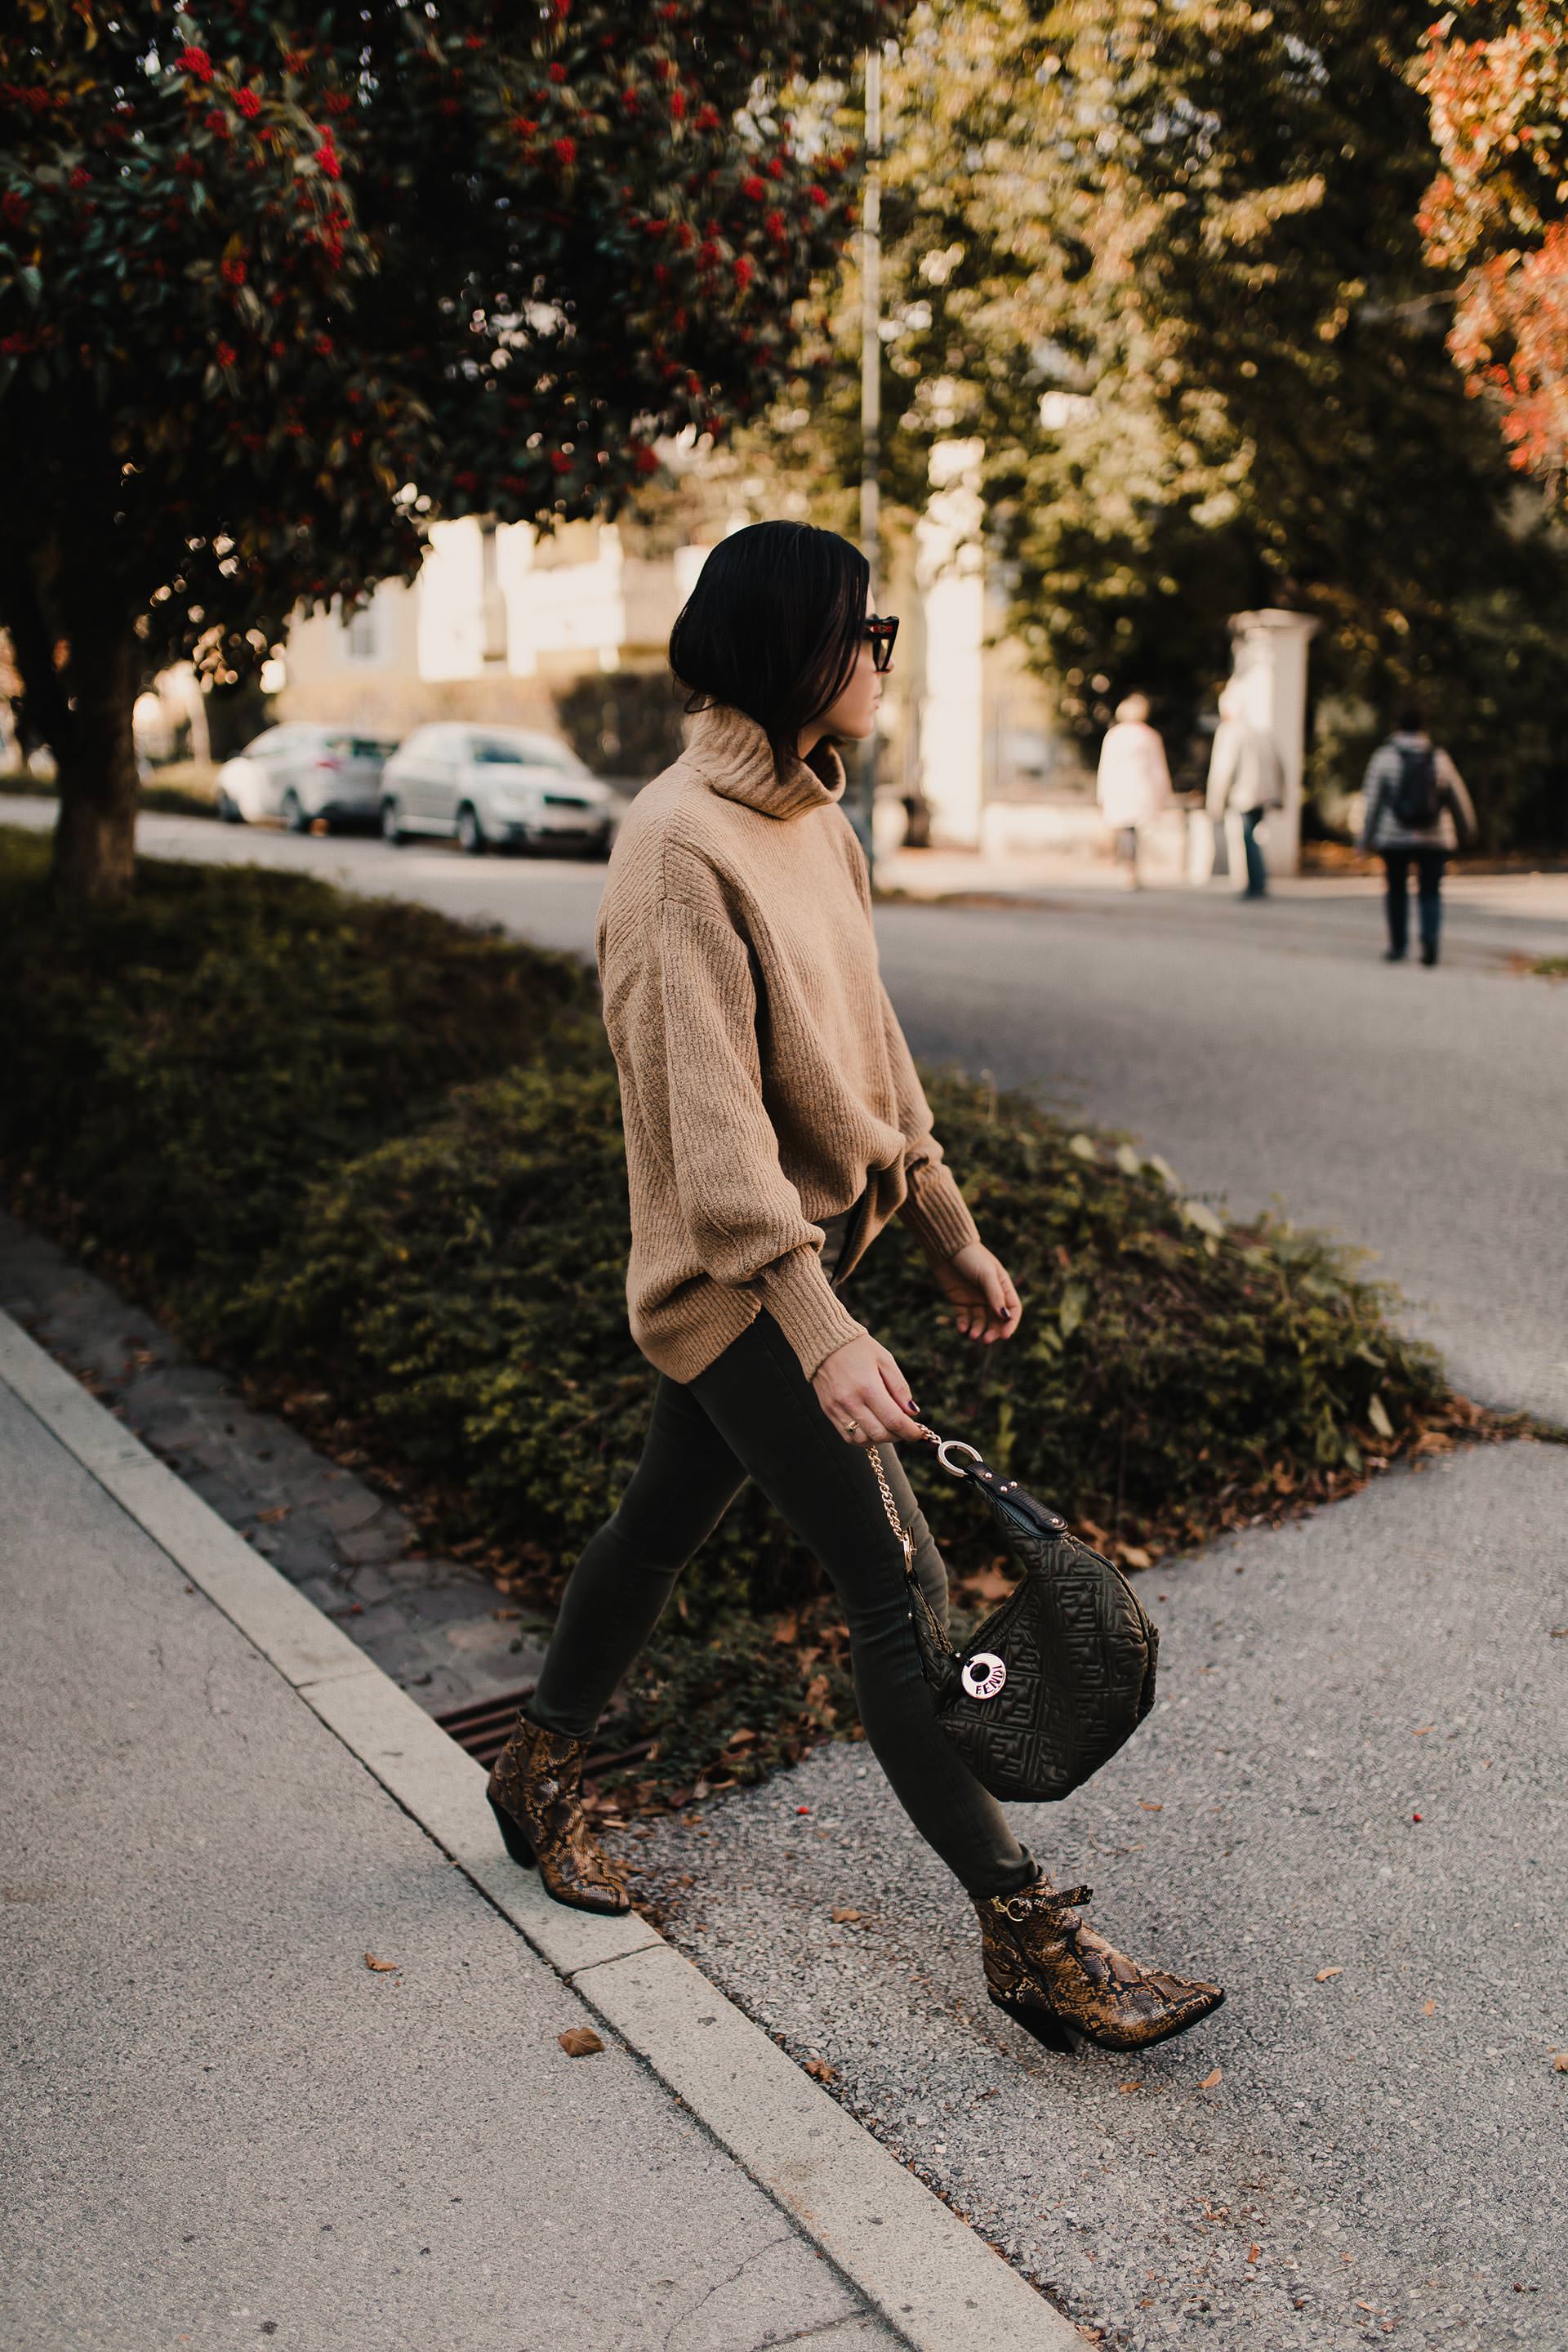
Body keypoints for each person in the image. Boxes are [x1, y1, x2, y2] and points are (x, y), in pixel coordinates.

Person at [483, 523, 1223, 2055]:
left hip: (816, 1262)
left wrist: (944, 1219)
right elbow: (713, 1137)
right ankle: (1031, 1937)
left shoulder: (814, 820)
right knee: (902, 1592)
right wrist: (818, 1330)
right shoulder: (676, 849)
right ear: (791, 652)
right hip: (737, 1282)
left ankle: (538, 1761)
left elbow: (868, 1048)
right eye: (863, 629)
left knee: (661, 1520)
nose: (885, 653)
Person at [1360, 710, 1477, 965]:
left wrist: (1364, 839)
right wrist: (1468, 829)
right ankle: (1430, 940)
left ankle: (1398, 946)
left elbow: (1372, 802)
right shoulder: (1438, 757)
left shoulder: (1384, 757)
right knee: (1430, 892)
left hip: (1393, 836)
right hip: (1435, 837)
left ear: (1397, 727)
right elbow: (1458, 796)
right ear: (1423, 728)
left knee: (1396, 891)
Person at [1205, 685, 1285, 898]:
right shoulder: (1260, 731)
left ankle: (1256, 883)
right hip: (1265, 794)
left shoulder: (1230, 732)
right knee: (1254, 837)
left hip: (1245, 795)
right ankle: (1258, 881)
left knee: (1248, 837)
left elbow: (1223, 769)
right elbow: (1278, 765)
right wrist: (1279, 795)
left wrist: (1216, 803)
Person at [1095, 693, 1173, 887]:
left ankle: (1129, 867)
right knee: (1134, 830)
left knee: (1126, 830)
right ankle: (1132, 867)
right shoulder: (1149, 736)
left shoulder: (1115, 735)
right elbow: (1158, 768)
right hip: (1141, 789)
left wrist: (1102, 792)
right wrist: (1164, 791)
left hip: (1120, 789)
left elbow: (1106, 766)